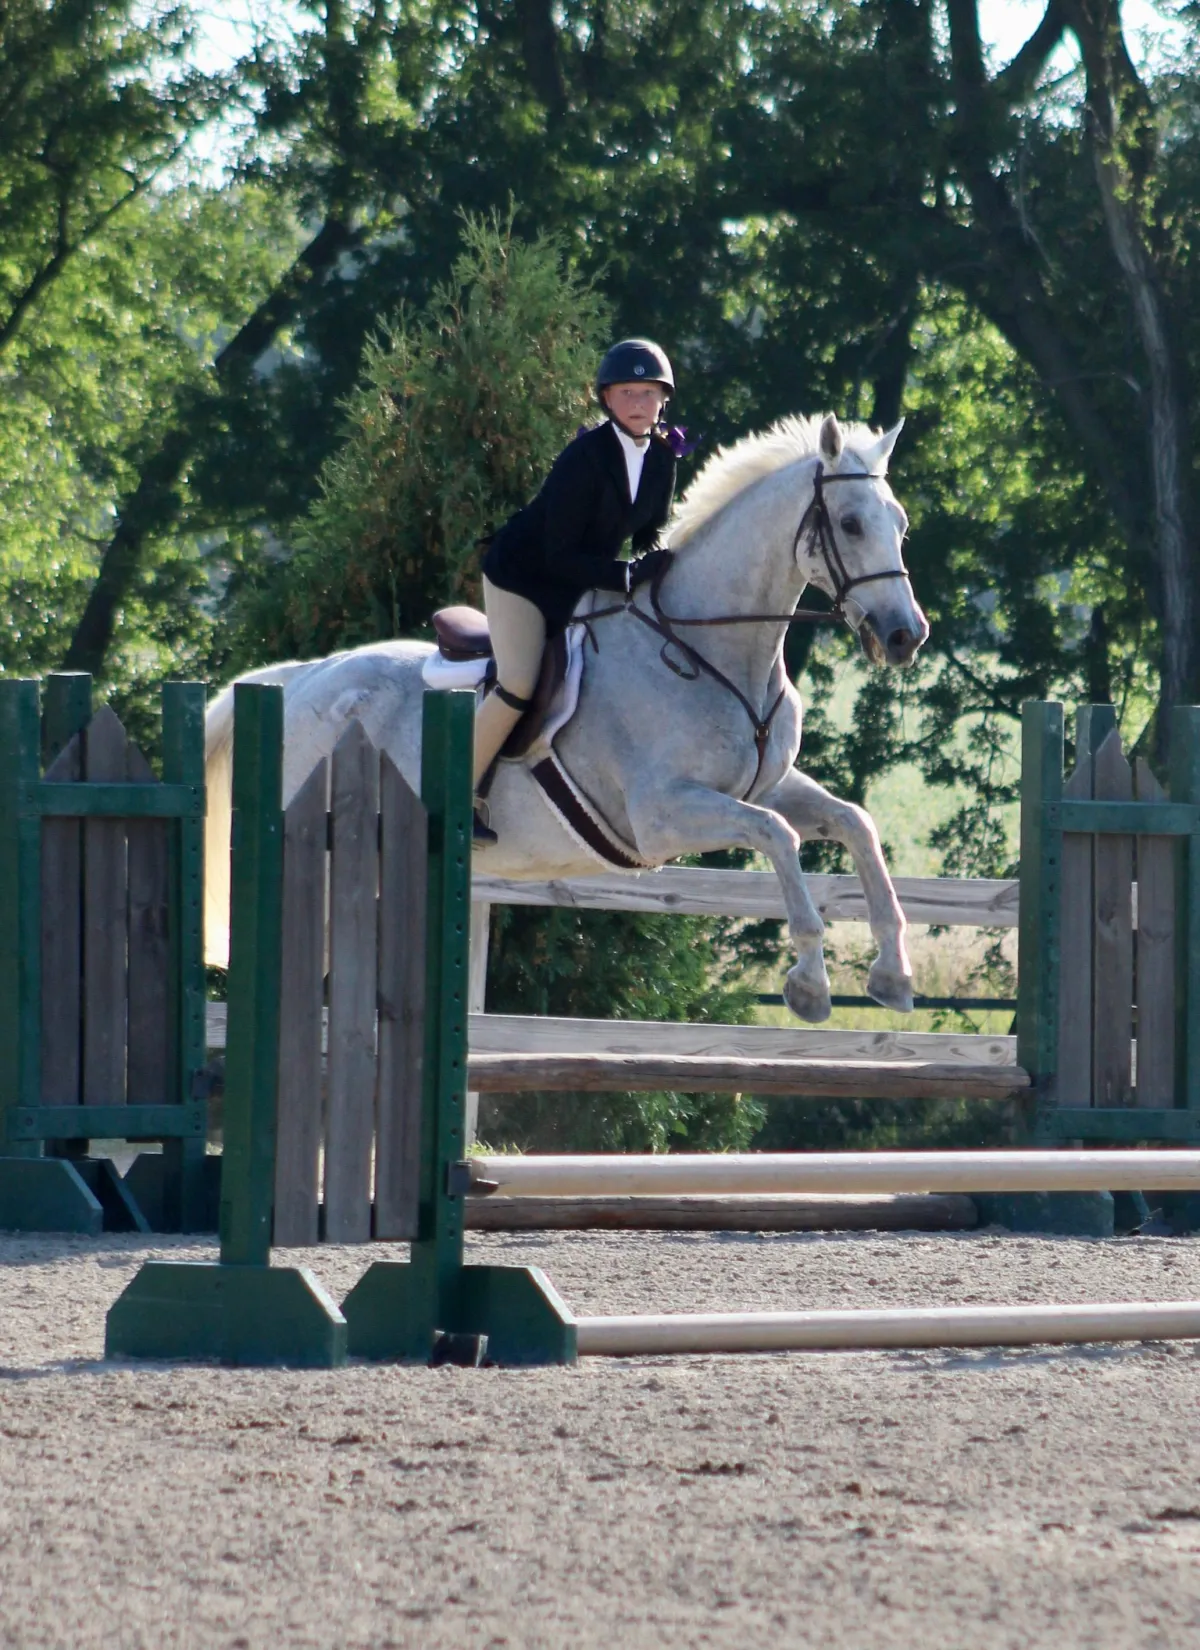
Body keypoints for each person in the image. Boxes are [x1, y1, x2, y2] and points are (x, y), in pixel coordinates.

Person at [471, 337, 678, 842]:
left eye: (647, 393)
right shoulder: (584, 457)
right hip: (524, 576)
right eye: (626, 392)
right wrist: (626, 577)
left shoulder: (664, 456)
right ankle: (455, 792)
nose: (637, 404)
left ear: (662, 401)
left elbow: (649, 533)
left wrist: (657, 568)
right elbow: (557, 555)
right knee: (520, 680)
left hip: (586, 578)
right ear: (606, 399)